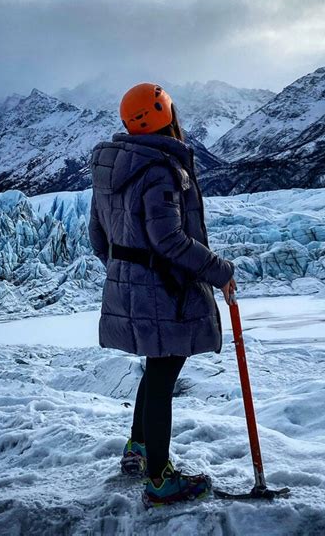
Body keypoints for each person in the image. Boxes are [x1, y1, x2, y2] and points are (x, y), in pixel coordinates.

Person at [88, 82, 236, 508]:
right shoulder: (159, 169)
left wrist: (128, 276)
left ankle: (138, 450)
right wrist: (219, 270)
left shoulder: (110, 168)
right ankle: (159, 479)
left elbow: (99, 237)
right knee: (163, 377)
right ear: (168, 117)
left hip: (136, 287)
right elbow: (168, 239)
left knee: (155, 372)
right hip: (165, 292)